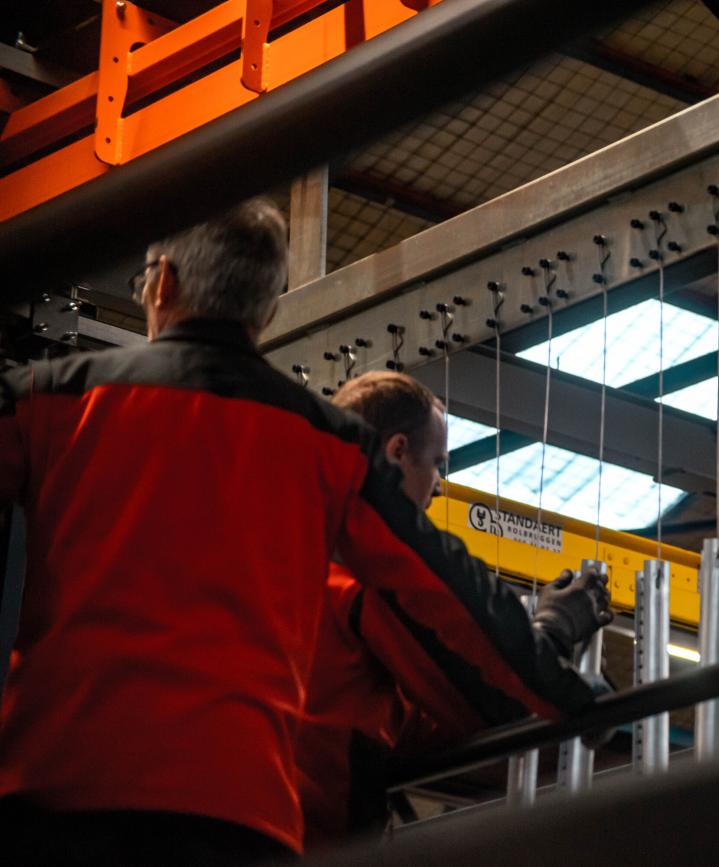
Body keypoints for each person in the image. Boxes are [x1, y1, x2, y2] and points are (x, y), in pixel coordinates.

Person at [0, 199, 611, 865]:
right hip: (234, 815)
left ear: (163, 284)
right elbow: (443, 590)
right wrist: (570, 693)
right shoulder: (328, 443)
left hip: (55, 798)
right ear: (266, 312)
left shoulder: (50, 399)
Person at [296, 371, 610, 850]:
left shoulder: (292, 553)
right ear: (397, 451)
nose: (439, 486)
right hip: (307, 840)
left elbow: (393, 722)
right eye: (437, 464)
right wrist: (552, 634)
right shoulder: (364, 577)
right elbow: (478, 702)